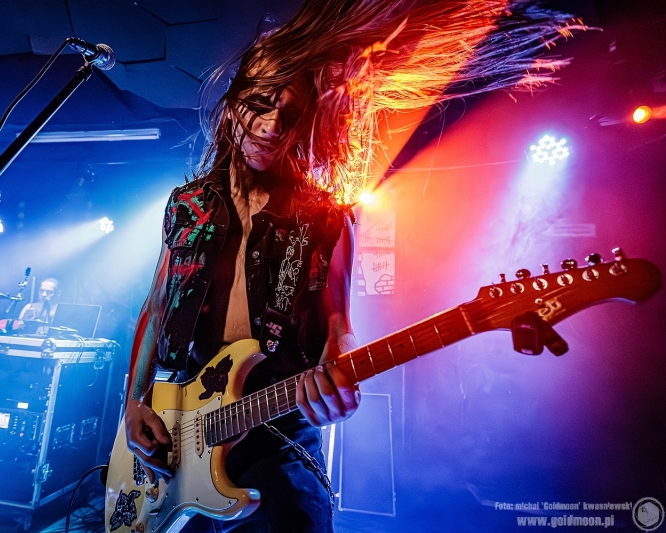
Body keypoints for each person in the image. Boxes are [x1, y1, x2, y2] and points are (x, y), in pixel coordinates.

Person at [123, 0, 585, 531]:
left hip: (276, 429)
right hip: (178, 423)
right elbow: (156, 307)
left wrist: (339, 380)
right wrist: (132, 404)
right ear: (231, 107)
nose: (272, 125)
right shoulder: (186, 205)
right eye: (260, 104)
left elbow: (338, 326)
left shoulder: (326, 217)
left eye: (290, 114)